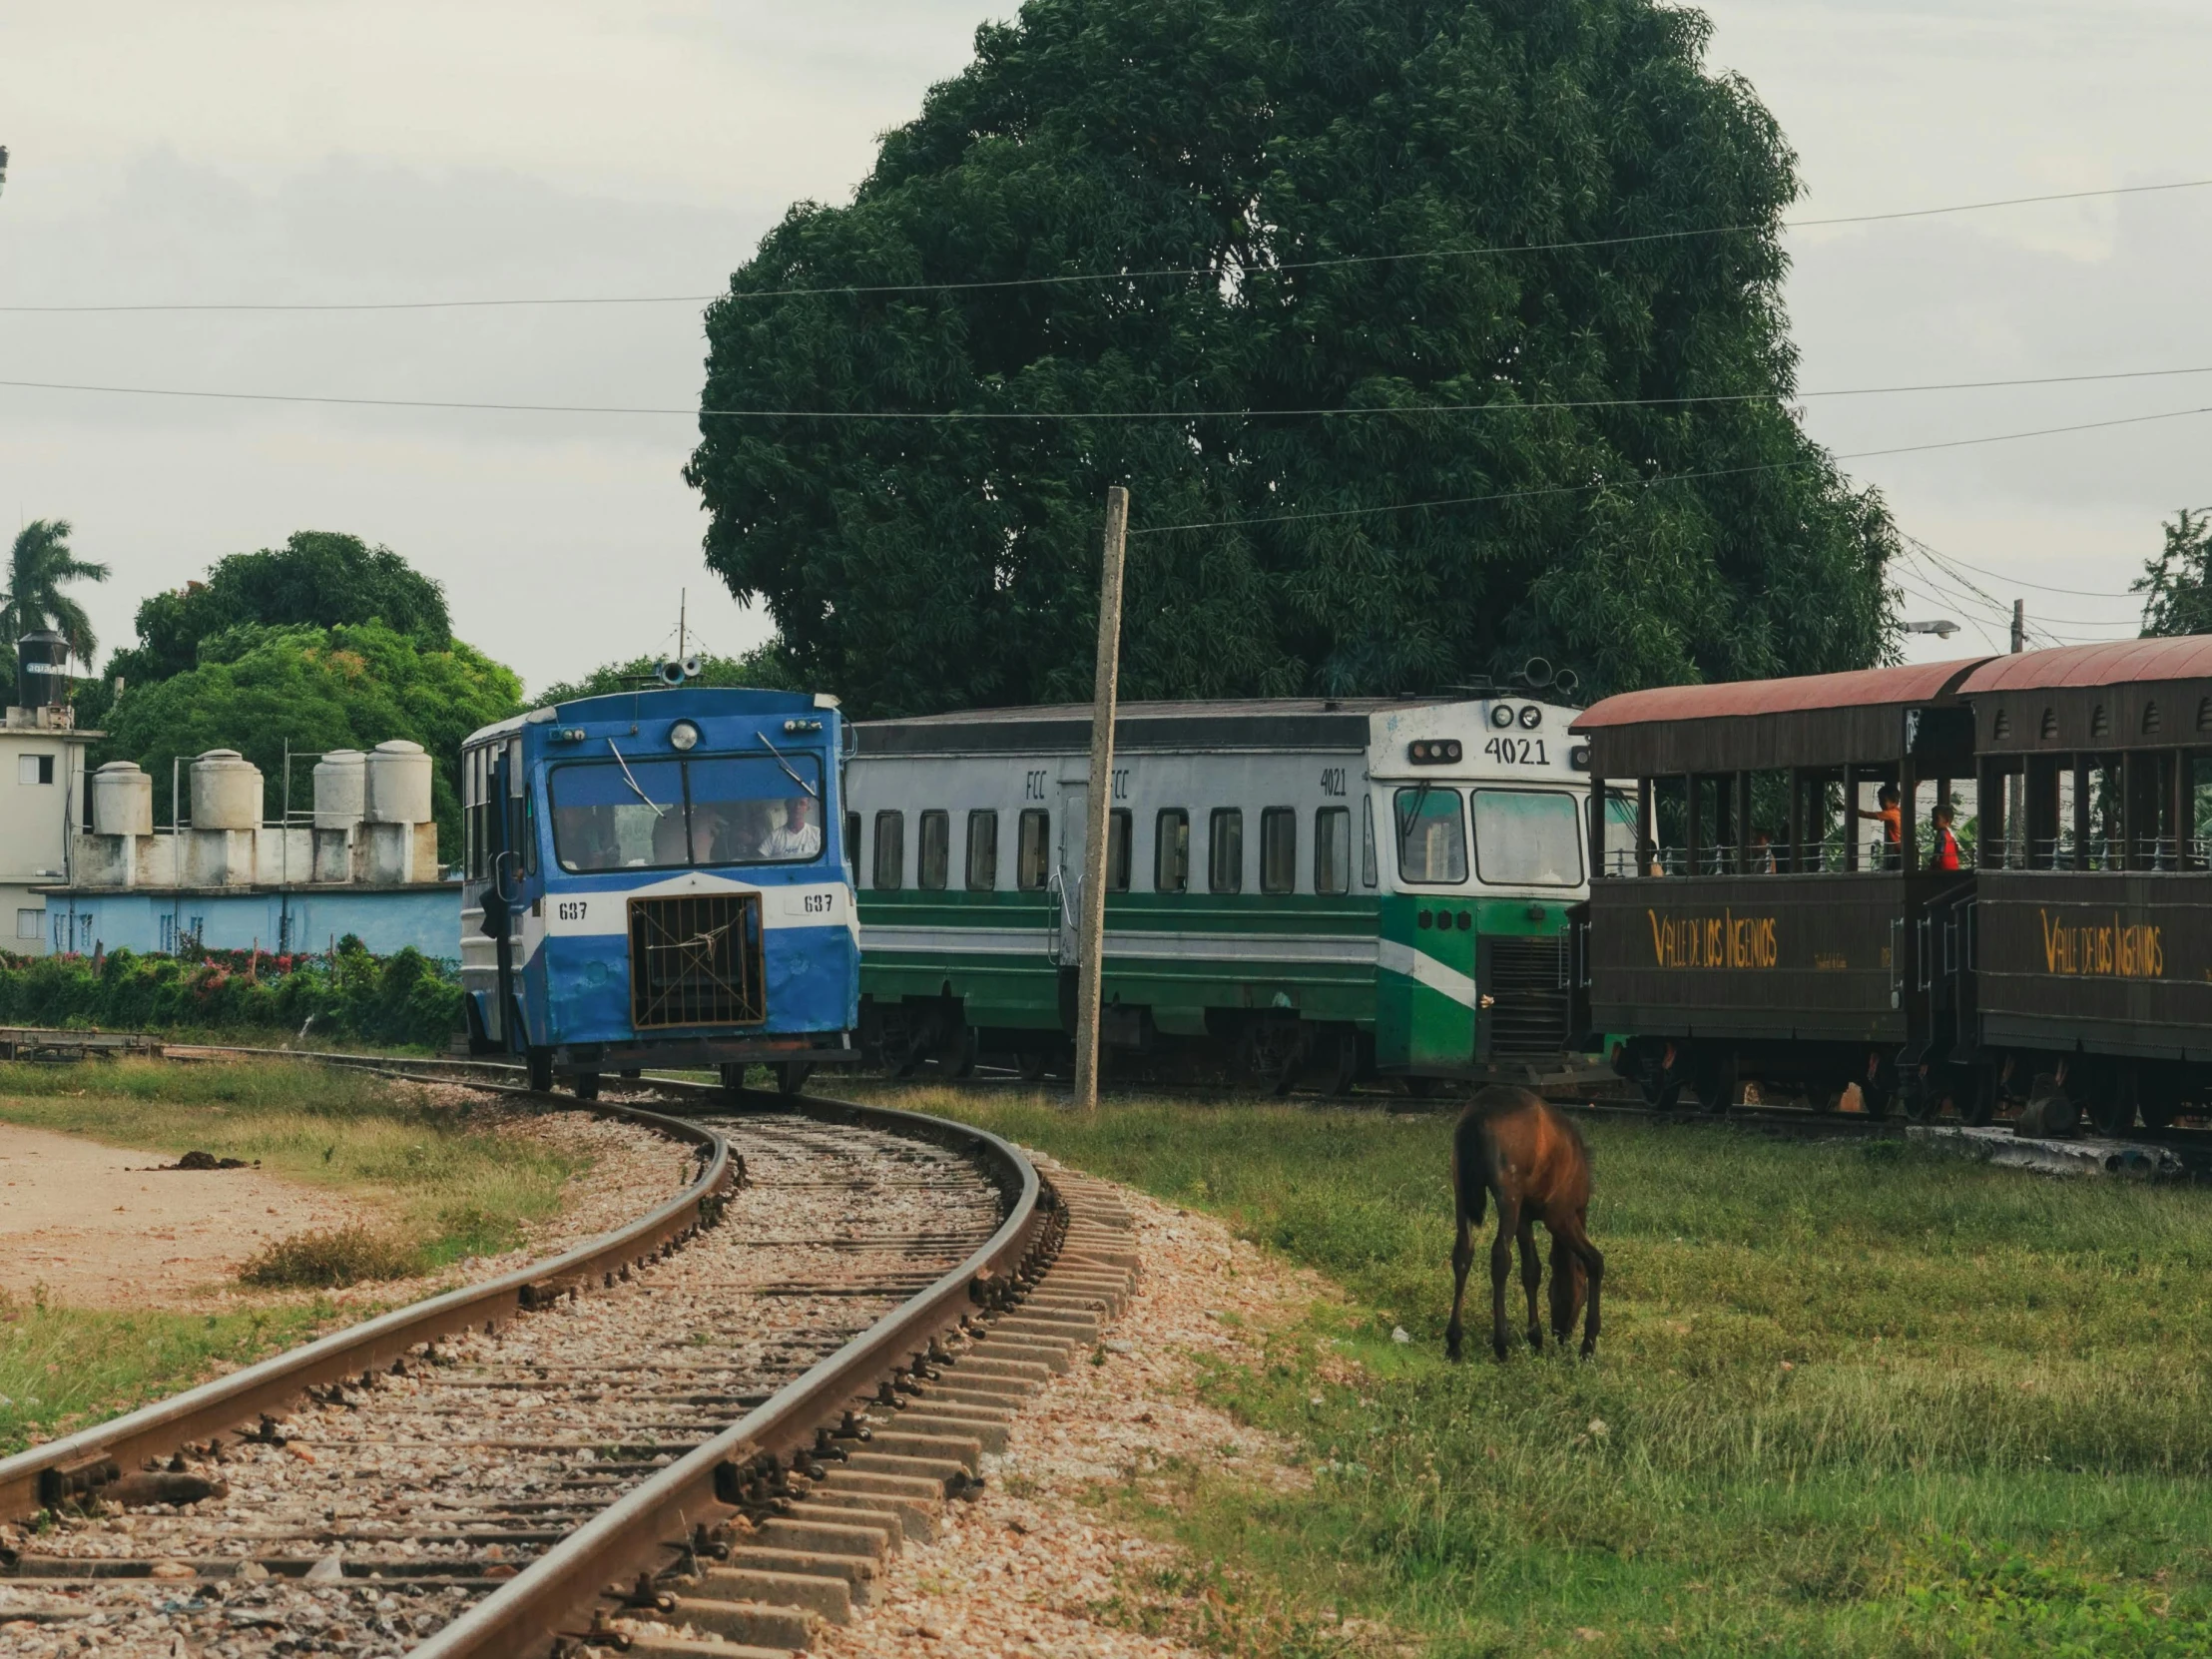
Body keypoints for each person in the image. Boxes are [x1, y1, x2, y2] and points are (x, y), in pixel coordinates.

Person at [759, 795, 823, 859]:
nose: (797, 807)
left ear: (807, 808)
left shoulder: (817, 834)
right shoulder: (774, 836)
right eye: (793, 802)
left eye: (802, 803)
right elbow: (760, 859)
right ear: (786, 805)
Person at [1855, 784, 1903, 868]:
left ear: (1893, 800)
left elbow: (1867, 814)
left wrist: (1846, 808)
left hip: (1902, 851)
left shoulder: (1891, 814)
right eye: (1879, 801)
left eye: (1883, 801)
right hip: (1901, 850)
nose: (1880, 804)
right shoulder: (1898, 811)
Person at [1931, 801, 1963, 871]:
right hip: (1953, 868)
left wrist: (1932, 866)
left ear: (1946, 821)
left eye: (1936, 818)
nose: (1933, 821)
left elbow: (1939, 852)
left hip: (1943, 869)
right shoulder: (1950, 835)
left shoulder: (1941, 834)